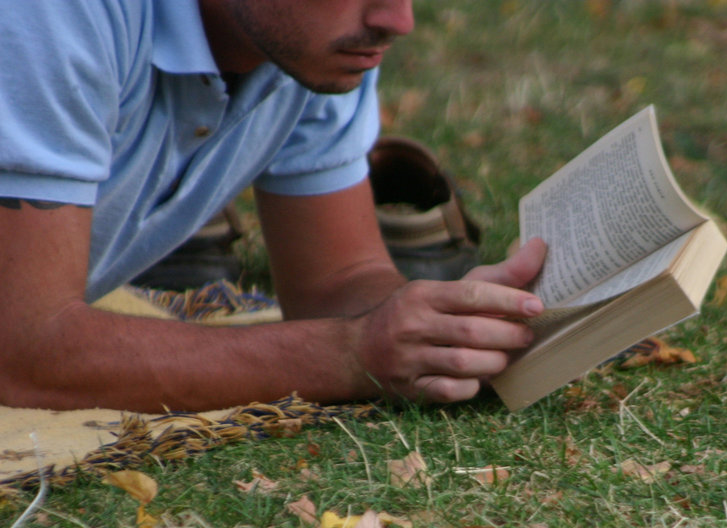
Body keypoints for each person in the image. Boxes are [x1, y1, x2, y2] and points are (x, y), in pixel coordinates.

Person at [0, 0, 546, 413]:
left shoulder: (316, 43)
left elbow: (337, 280)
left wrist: (445, 329)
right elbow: (21, 351)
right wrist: (349, 356)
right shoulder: (51, 15)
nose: (397, 19)